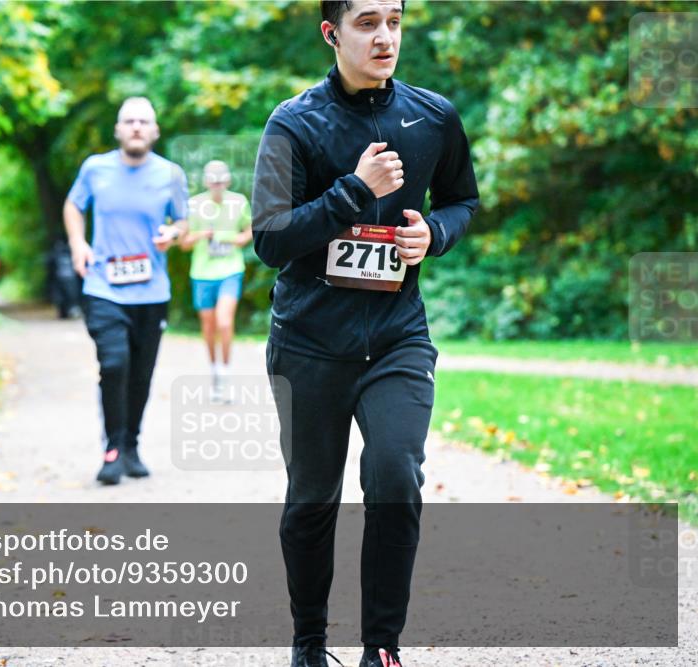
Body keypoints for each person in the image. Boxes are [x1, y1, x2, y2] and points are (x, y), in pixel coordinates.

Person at [251, 1, 479, 666]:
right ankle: (309, 643)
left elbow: (462, 199)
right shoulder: (293, 123)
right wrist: (354, 189)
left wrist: (432, 233)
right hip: (309, 341)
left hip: (397, 335)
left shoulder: (434, 115)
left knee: (394, 474)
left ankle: (382, 646)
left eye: (396, 21)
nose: (385, 37)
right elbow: (269, 237)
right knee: (312, 497)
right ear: (332, 33)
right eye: (367, 22)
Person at [63, 96, 189, 486]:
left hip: (152, 292)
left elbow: (183, 222)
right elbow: (72, 206)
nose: (136, 127)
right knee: (114, 363)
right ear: (118, 130)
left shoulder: (170, 174)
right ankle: (113, 448)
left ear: (154, 131)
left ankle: (131, 445)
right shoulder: (95, 168)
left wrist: (172, 233)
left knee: (141, 374)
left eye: (143, 121)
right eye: (129, 121)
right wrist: (78, 245)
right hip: (104, 287)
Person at [179, 160, 252, 401]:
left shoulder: (239, 201)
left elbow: (250, 230)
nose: (217, 184)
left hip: (230, 269)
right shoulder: (195, 204)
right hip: (201, 273)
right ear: (206, 181)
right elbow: (184, 243)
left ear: (228, 181)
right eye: (213, 180)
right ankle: (214, 371)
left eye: (221, 180)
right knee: (209, 326)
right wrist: (203, 234)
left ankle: (226, 373)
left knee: (224, 321)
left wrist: (240, 239)